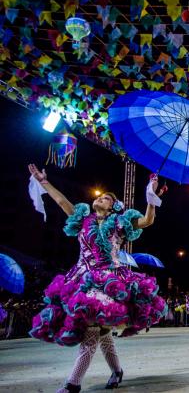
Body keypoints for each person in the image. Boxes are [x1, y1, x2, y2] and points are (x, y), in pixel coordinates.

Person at [26, 164, 167, 392]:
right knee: (101, 332)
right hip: (83, 278)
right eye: (99, 197)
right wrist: (43, 181)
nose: (100, 198)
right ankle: (117, 371)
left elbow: (147, 221)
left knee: (93, 329)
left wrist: (150, 196)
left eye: (106, 198)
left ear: (113, 206)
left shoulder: (120, 222)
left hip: (111, 280)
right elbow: (62, 202)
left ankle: (73, 384)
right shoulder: (82, 219)